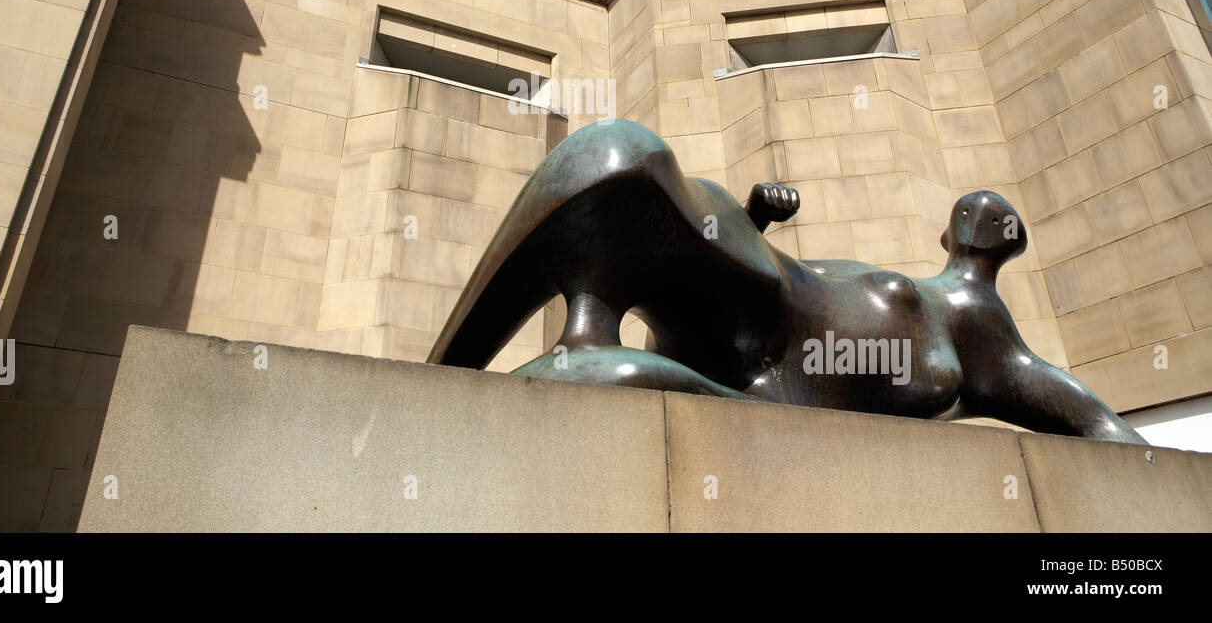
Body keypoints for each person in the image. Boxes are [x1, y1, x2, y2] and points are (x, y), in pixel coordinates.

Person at [428, 119, 1144, 443]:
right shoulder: (884, 278)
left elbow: (1068, 405)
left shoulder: (976, 317)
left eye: (993, 219)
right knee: (624, 154)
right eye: (972, 210)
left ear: (1005, 245)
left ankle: (587, 328)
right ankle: (578, 309)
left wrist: (1118, 441)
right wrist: (753, 216)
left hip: (762, 386)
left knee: (620, 370)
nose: (979, 217)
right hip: (756, 295)